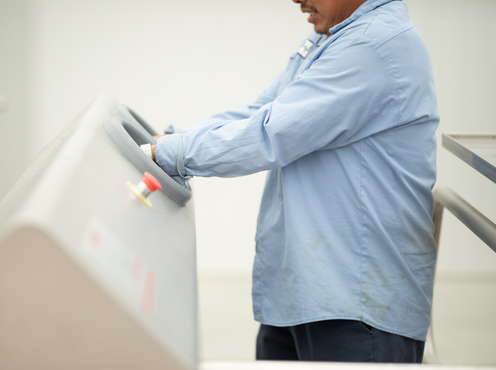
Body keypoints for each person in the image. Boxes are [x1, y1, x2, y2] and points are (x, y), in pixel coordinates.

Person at [150, 0, 439, 363]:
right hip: (308, 289)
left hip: (357, 304)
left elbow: (271, 134)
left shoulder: (374, 46)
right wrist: (172, 137)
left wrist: (167, 153)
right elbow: (262, 112)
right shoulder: (330, 37)